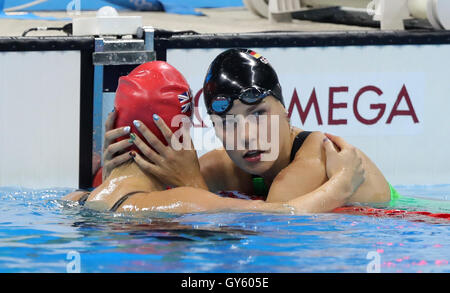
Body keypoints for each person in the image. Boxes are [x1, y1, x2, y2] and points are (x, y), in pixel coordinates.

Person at [63, 60, 366, 214]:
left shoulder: (81, 199)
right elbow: (280, 219)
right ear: (180, 132)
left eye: (258, 114)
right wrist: (341, 186)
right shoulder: (183, 200)